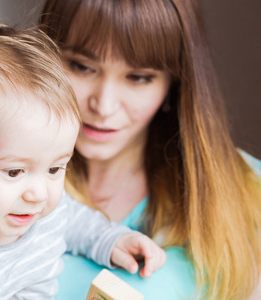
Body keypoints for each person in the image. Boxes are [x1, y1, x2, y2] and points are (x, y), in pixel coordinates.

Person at [0, 19, 166, 299]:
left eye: (54, 168)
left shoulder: (37, 211)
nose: (40, 194)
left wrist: (114, 241)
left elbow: (77, 221)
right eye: (14, 172)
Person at [38, 0, 261, 299]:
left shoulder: (246, 189)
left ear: (175, 83)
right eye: (81, 66)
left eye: (138, 77)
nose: (103, 106)